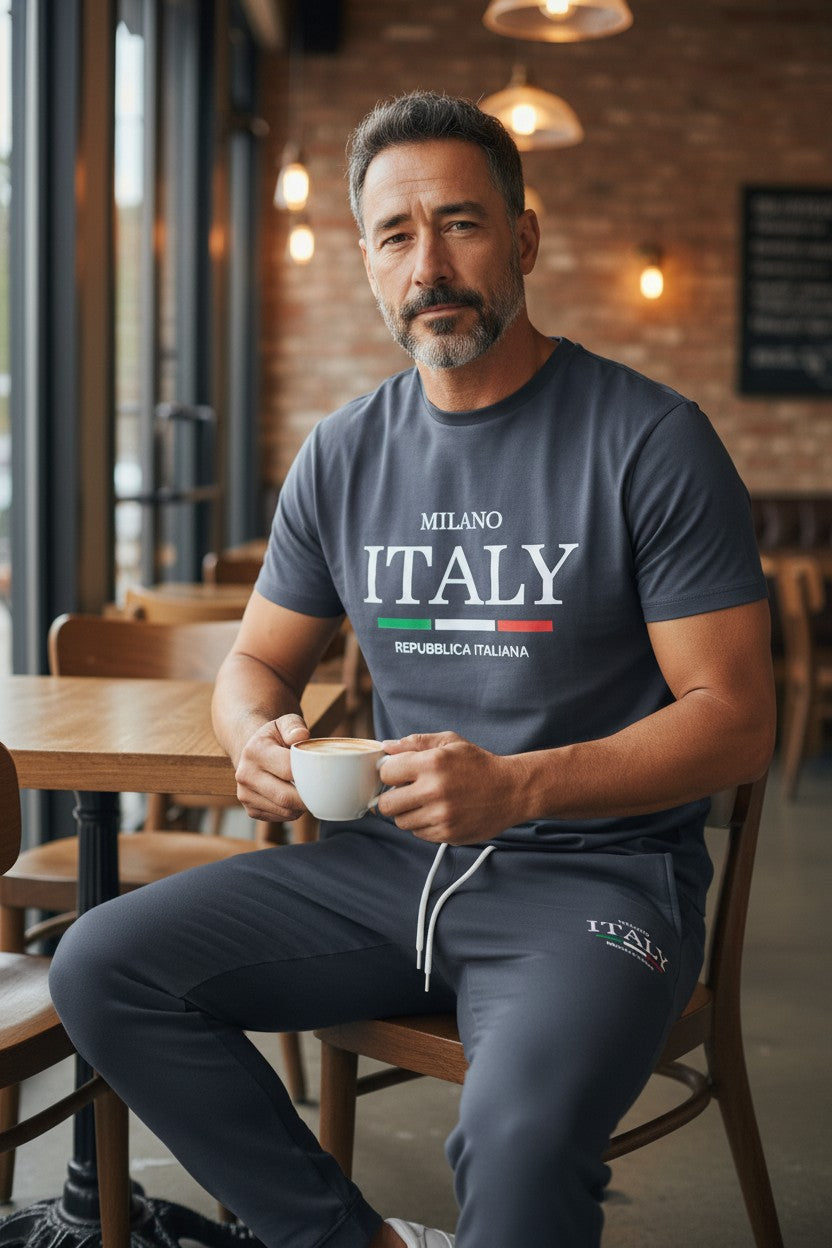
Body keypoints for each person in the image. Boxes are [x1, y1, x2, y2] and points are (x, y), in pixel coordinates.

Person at [50, 91, 776, 1248]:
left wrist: (520, 788)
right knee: (100, 964)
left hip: (593, 882)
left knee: (520, 1144)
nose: (428, 264)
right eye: (395, 235)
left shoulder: (650, 439)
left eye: (461, 224)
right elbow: (254, 663)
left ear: (523, 239)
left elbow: (736, 724)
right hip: (383, 870)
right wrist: (257, 741)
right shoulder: (342, 452)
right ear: (369, 263)